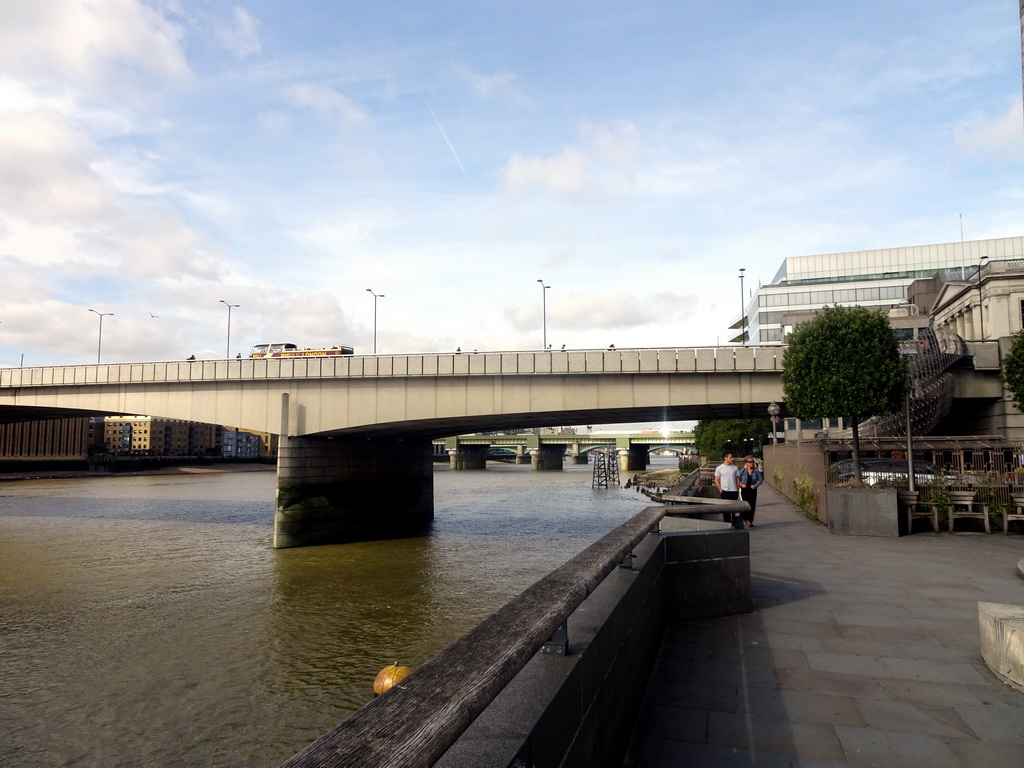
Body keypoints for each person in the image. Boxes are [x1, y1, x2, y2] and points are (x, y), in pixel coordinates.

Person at [713, 452, 740, 522]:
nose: (732, 459)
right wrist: (720, 489)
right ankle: (727, 522)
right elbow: (716, 479)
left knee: (734, 509)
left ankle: (734, 522)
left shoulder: (735, 467)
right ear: (725, 458)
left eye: (732, 457)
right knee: (725, 509)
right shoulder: (719, 468)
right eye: (730, 457)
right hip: (725, 491)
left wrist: (737, 488)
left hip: (734, 491)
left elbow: (737, 478)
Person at [739, 456, 764, 527]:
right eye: (750, 462)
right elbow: (738, 478)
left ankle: (750, 520)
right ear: (747, 463)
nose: (752, 463)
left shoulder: (755, 471)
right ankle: (744, 519)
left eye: (753, 462)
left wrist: (755, 485)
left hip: (752, 489)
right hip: (745, 489)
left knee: (752, 505)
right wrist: (741, 485)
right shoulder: (743, 470)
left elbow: (760, 480)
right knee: (744, 504)